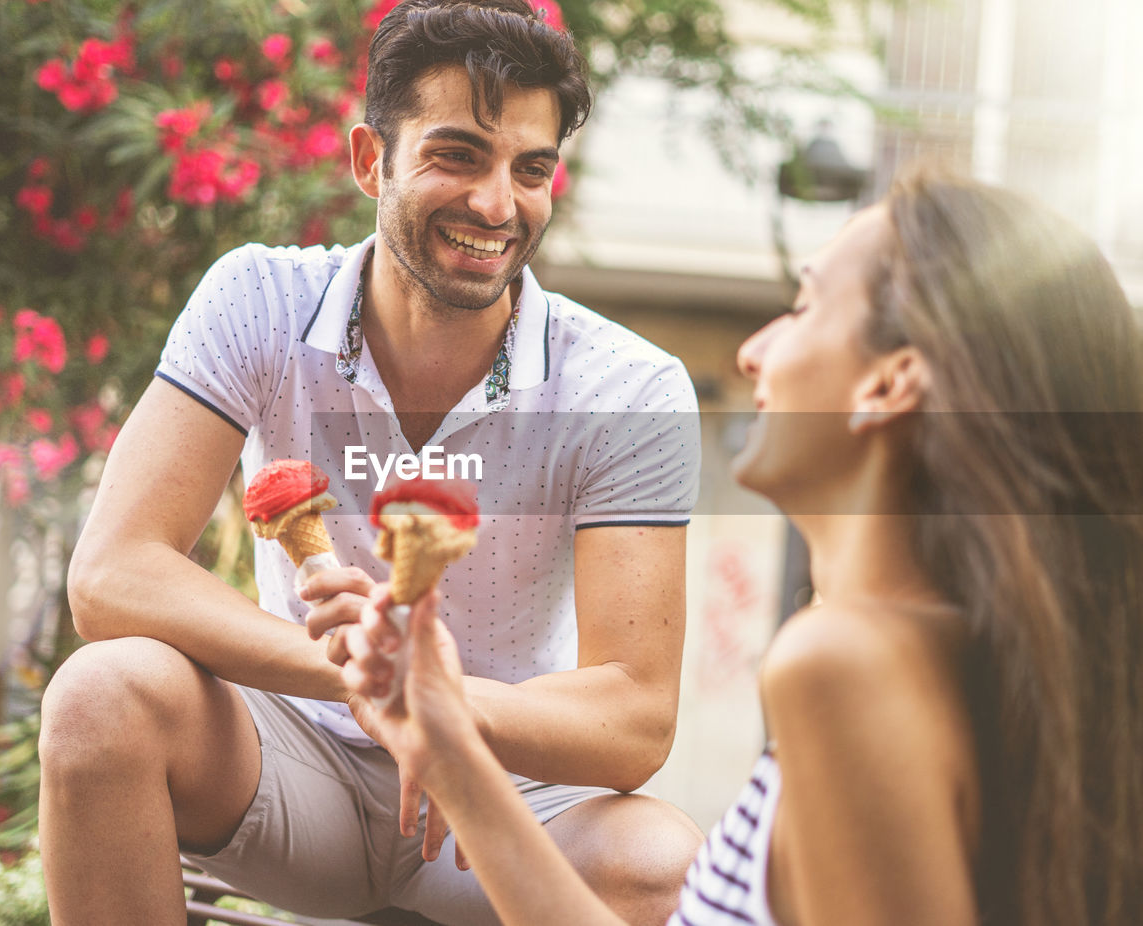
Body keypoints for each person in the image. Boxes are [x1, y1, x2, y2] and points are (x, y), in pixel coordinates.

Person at [39, 2, 705, 924]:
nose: (496, 205)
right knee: (96, 699)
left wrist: (444, 716)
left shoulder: (631, 386)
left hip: (496, 801)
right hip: (293, 769)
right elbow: (113, 575)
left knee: (662, 865)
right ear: (369, 161)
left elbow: (633, 718)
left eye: (532, 169)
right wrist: (370, 681)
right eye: (457, 154)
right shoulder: (259, 299)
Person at [341, 166, 1143, 926]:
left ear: (888, 385)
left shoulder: (845, 664)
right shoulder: (951, 661)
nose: (754, 351)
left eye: (803, 307)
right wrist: (449, 741)